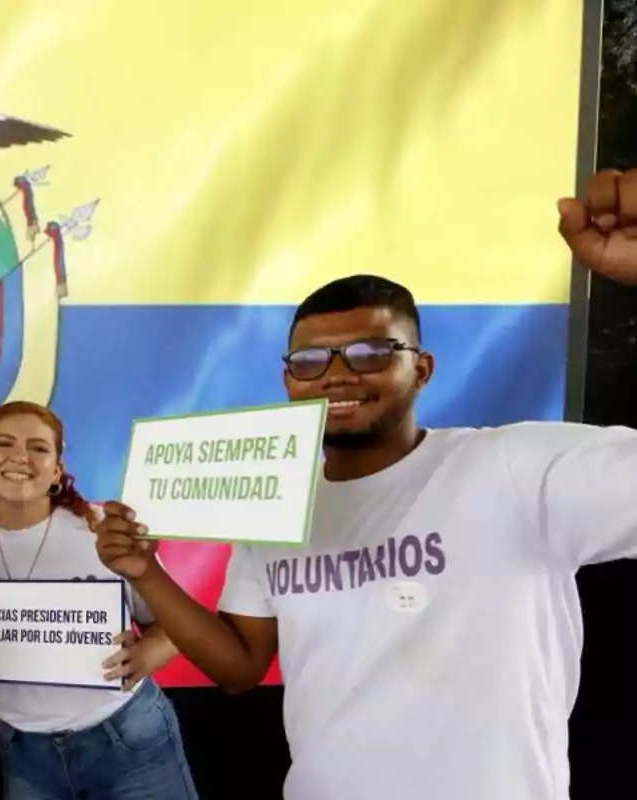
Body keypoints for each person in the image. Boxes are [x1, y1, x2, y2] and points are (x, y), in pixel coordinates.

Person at [92, 168, 637, 800]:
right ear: (289, 380)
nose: (337, 376)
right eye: (309, 361)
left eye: (372, 353)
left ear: (422, 368)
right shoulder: (275, 504)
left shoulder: (517, 468)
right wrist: (145, 570)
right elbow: (239, 666)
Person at [0, 400, 198, 800]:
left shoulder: (102, 529)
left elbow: (176, 622)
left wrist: (150, 653)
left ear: (57, 473)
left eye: (39, 448)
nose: (20, 457)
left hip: (128, 736)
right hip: (25, 753)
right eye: (4, 444)